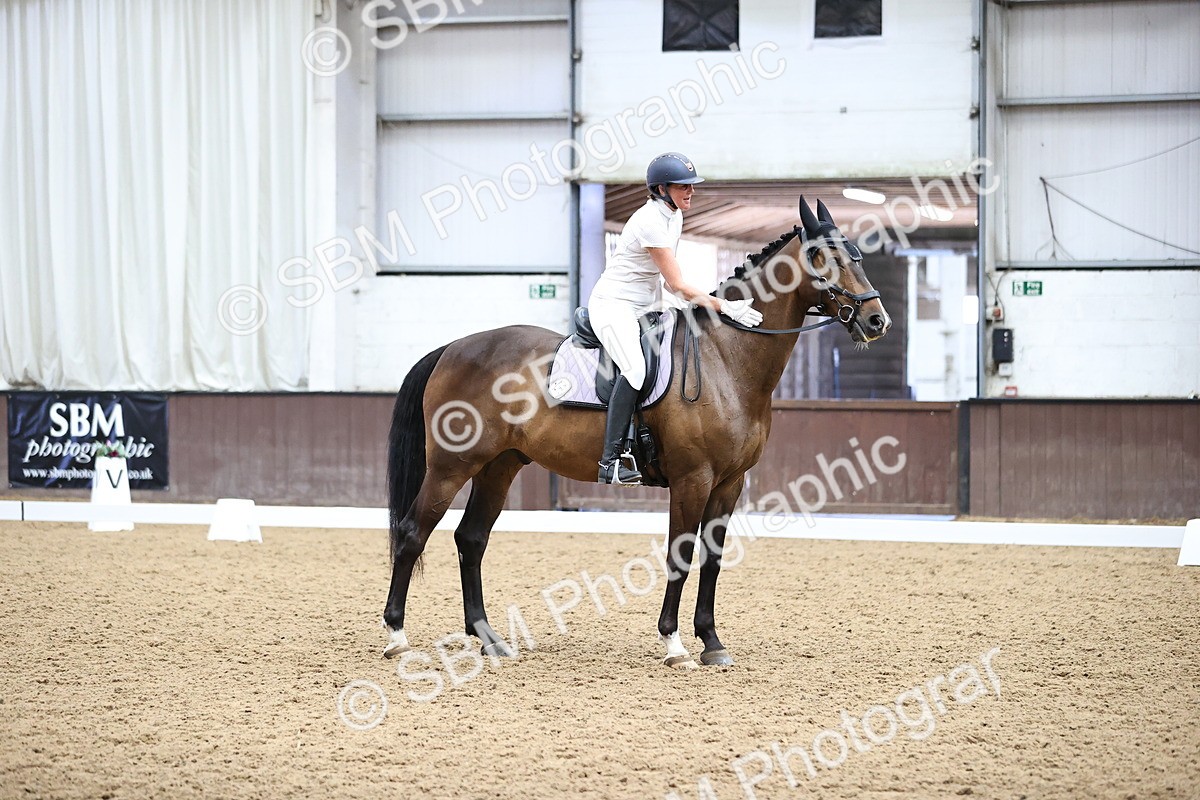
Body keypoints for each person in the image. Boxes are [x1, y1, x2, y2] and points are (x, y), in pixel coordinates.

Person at [587, 152, 764, 485]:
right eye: (683, 187)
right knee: (636, 370)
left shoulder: (674, 215)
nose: (690, 193)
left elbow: (667, 282)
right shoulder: (649, 221)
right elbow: (679, 284)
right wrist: (725, 307)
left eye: (691, 187)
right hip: (614, 305)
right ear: (662, 188)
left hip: (647, 303)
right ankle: (610, 460)